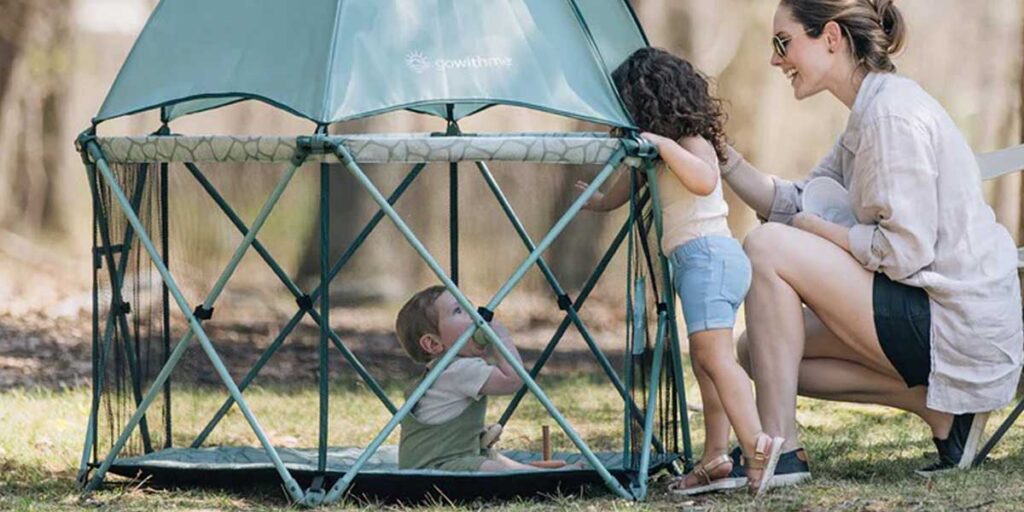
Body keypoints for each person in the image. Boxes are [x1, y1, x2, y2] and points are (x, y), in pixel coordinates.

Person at [718, 0, 1023, 488]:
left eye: (783, 42)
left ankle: (779, 449)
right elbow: (797, 199)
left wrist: (822, 233)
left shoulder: (890, 117)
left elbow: (904, 252)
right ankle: (942, 413)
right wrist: (720, 153)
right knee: (758, 352)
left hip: (954, 321)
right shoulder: (868, 113)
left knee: (768, 247)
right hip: (930, 312)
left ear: (832, 38)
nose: (776, 60)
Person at [576, 47, 784, 495]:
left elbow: (706, 181)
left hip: (709, 256)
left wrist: (664, 144)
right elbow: (623, 190)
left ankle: (757, 446)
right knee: (707, 364)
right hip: (697, 262)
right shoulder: (661, 155)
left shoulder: (690, 143)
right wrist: (596, 201)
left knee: (715, 359)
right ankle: (715, 456)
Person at [394, 285, 538, 472]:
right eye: (458, 310)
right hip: (439, 467)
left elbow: (444, 428)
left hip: (429, 462)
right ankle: (536, 477)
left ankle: (531, 471)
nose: (473, 315)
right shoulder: (460, 369)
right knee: (489, 467)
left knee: (491, 458)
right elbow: (513, 380)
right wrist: (501, 338)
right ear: (433, 343)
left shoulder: (438, 372)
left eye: (469, 306)